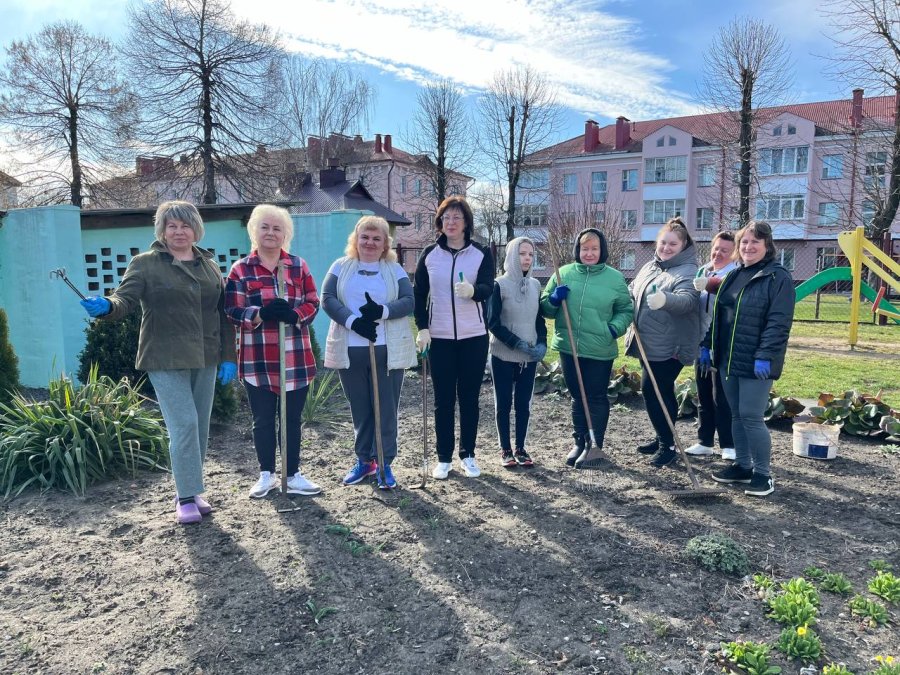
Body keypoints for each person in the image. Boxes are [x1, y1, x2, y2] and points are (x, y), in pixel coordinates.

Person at [79, 201, 237, 525]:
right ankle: (185, 497)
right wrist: (107, 306)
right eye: (172, 226)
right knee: (185, 424)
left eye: (185, 225)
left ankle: (194, 489)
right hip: (163, 356)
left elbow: (223, 314)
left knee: (200, 427)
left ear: (196, 229)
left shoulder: (210, 265)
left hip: (206, 355)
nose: (179, 232)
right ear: (162, 230)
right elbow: (125, 299)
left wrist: (228, 357)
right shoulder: (146, 263)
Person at [224, 204, 321, 500]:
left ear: (285, 234)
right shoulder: (241, 269)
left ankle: (292, 474)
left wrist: (295, 315)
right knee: (263, 419)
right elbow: (231, 309)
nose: (271, 233)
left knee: (291, 419)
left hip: (294, 357)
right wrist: (260, 313)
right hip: (258, 359)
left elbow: (313, 301)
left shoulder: (297, 266)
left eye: (277, 228)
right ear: (255, 231)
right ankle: (266, 473)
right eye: (265, 227)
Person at [322, 216, 417, 489]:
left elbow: (408, 301)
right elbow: (327, 298)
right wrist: (354, 322)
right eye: (365, 237)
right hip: (351, 349)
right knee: (361, 408)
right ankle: (365, 460)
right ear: (356, 238)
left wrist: (382, 312)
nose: (370, 242)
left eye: (377, 238)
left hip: (386, 350)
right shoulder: (341, 266)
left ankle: (385, 462)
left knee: (385, 408)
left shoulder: (393, 269)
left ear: (386, 243)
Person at [701, 221, 795, 497]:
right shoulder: (734, 275)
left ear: (767, 246)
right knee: (736, 415)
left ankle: (763, 475)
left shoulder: (777, 278)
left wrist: (765, 355)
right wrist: (707, 345)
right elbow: (719, 314)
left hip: (756, 361)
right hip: (728, 358)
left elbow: (779, 322)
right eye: (744, 242)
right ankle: (742, 466)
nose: (748, 247)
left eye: (755, 242)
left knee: (752, 417)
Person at [413, 195, 494, 480]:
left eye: (457, 217)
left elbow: (488, 287)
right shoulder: (429, 255)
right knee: (443, 399)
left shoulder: (482, 253)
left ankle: (468, 455)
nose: (451, 222)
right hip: (440, 337)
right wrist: (422, 327)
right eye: (446, 217)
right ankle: (444, 457)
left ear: (466, 222)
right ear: (440, 221)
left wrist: (473, 292)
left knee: (469, 398)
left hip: (474, 336)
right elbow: (419, 294)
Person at [541, 228, 633, 470]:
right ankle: (579, 442)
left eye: (594, 248)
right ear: (578, 250)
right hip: (570, 346)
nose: (589, 253)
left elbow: (626, 310)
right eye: (584, 248)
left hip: (600, 347)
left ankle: (595, 445)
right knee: (577, 396)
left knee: (596, 396)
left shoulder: (614, 278)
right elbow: (545, 308)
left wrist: (613, 329)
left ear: (602, 250)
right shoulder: (563, 274)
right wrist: (552, 300)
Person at [624, 217, 700, 468]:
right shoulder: (652, 266)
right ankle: (661, 438)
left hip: (671, 345)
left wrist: (665, 300)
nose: (666, 248)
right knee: (658, 391)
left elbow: (688, 301)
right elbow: (634, 287)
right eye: (663, 243)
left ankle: (667, 446)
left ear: (683, 245)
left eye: (673, 244)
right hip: (649, 341)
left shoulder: (688, 270)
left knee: (654, 391)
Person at [488, 237, 547, 468]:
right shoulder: (498, 285)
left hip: (529, 357)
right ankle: (505, 449)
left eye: (531, 254)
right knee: (503, 403)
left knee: (523, 403)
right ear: (512, 255)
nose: (527, 258)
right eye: (522, 253)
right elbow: (492, 322)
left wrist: (541, 342)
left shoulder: (535, 285)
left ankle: (521, 447)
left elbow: (539, 320)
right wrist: (515, 343)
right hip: (503, 354)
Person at [686, 231, 737, 460]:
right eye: (716, 248)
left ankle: (729, 445)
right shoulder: (703, 270)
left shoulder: (736, 274)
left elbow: (728, 297)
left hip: (724, 344)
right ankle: (705, 441)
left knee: (722, 397)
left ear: (734, 253)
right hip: (702, 342)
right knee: (704, 394)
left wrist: (711, 284)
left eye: (725, 250)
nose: (718, 253)